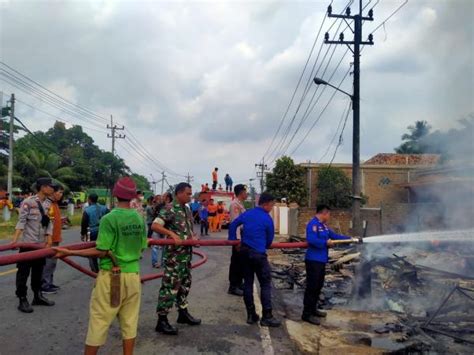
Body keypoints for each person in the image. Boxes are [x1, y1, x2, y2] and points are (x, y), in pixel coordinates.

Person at [53, 177, 148, 355]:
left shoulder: (109, 218)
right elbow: (142, 246)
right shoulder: (139, 219)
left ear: (115, 194)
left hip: (112, 278)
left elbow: (102, 250)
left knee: (99, 321)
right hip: (133, 276)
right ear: (134, 196)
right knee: (130, 321)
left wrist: (69, 252)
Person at [152, 182, 201, 335]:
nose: (190, 196)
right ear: (179, 193)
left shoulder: (186, 209)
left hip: (186, 256)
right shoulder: (169, 208)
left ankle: (183, 313)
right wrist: (172, 235)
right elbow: (155, 226)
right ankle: (162, 320)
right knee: (170, 287)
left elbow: (187, 229)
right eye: (187, 193)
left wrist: (193, 238)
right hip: (174, 257)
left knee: (185, 285)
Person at [228, 192, 280, 327]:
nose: (272, 207)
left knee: (248, 283)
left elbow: (233, 224)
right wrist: (263, 245)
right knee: (265, 284)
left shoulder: (248, 213)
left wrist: (234, 240)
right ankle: (267, 316)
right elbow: (269, 240)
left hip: (244, 252)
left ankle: (251, 315)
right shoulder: (267, 218)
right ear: (266, 204)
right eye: (272, 205)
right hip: (258, 254)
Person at [302, 204, 351, 325]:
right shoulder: (313, 224)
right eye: (328, 214)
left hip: (321, 261)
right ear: (324, 213)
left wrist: (350, 239)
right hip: (313, 261)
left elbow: (334, 236)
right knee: (312, 288)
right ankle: (306, 314)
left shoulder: (324, 226)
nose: (329, 216)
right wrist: (325, 243)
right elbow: (311, 240)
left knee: (318, 287)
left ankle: (313, 309)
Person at [12, 177, 55, 313]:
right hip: (28, 245)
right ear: (42, 187)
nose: (52, 189)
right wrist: (15, 240)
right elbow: (22, 221)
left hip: (40, 245)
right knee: (23, 273)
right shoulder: (28, 202)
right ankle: (22, 298)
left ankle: (37, 296)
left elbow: (48, 222)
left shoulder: (48, 203)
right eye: (49, 186)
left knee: (38, 272)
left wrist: (49, 239)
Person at [41, 183, 64, 294]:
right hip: (49, 239)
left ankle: (49, 282)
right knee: (48, 263)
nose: (61, 195)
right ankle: (44, 285)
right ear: (53, 192)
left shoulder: (55, 204)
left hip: (55, 238)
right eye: (59, 192)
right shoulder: (48, 204)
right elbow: (45, 224)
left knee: (52, 263)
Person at [227, 184, 247, 296]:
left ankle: (239, 283)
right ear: (241, 192)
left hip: (242, 237)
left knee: (241, 262)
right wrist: (237, 240)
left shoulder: (240, 204)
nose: (246, 194)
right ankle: (233, 286)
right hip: (238, 238)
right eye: (245, 191)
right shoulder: (235, 204)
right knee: (236, 262)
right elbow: (236, 223)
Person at [81, 193, 109, 273]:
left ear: (89, 200)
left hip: (91, 232)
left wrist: (83, 234)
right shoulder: (104, 208)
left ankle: (95, 270)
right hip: (103, 232)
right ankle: (105, 267)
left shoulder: (87, 210)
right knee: (103, 249)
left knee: (91, 250)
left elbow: (84, 223)